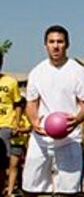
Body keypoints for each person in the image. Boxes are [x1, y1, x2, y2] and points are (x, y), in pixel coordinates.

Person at [23, 25, 84, 196]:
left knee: (69, 192)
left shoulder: (78, 71)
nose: (56, 46)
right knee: (30, 188)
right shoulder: (37, 72)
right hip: (42, 139)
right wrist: (34, 121)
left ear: (67, 45)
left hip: (70, 138)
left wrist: (76, 120)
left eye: (60, 42)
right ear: (45, 44)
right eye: (51, 41)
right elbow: (31, 104)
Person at [0, 50, 22, 194]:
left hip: (5, 127)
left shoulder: (11, 81)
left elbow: (18, 104)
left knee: (2, 164)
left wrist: (16, 123)